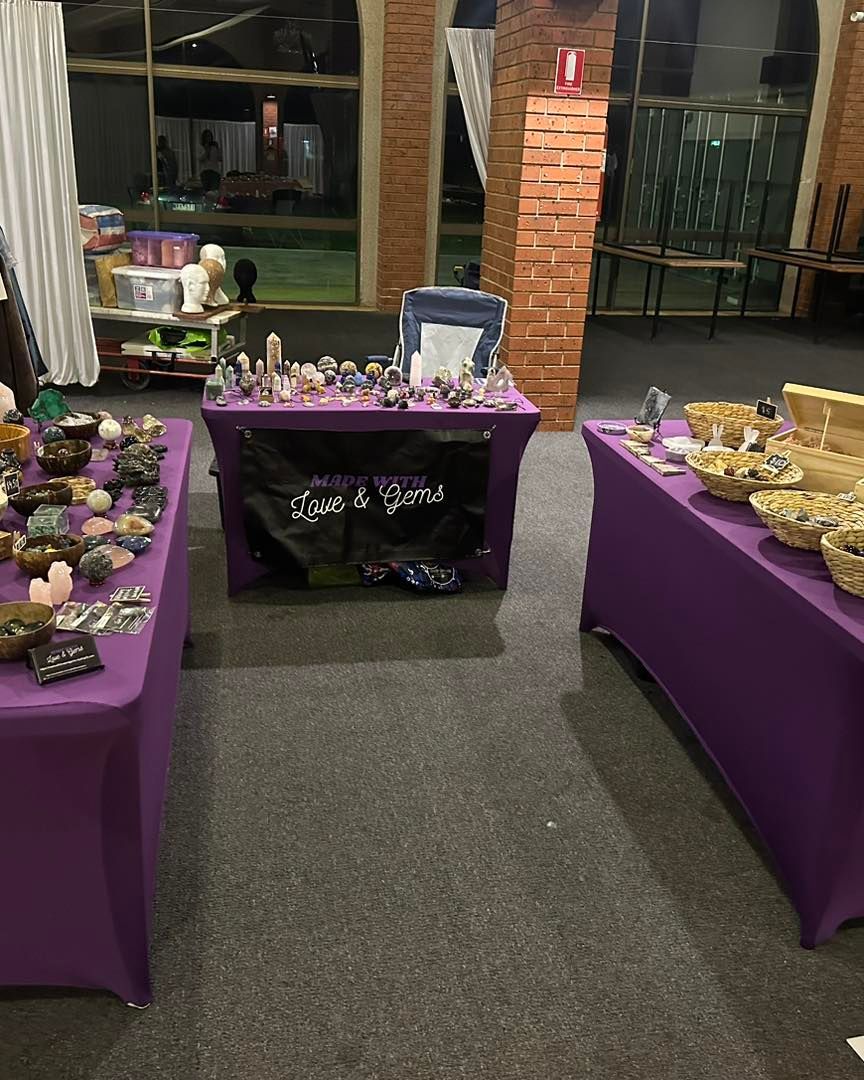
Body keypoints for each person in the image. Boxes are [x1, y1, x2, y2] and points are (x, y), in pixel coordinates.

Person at [198, 129, 223, 193]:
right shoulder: (200, 147)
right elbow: (200, 159)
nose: (208, 138)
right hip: (205, 172)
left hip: (215, 172)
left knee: (214, 192)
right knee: (206, 192)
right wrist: (207, 150)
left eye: (209, 136)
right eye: (207, 136)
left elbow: (220, 158)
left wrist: (217, 149)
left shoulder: (214, 147)